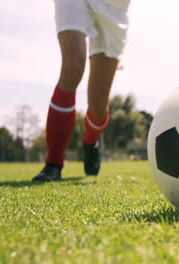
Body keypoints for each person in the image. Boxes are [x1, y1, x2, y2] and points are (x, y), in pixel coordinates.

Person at [33, 0, 131, 181]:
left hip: (114, 6)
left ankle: (90, 140)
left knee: (99, 104)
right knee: (72, 67)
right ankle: (53, 163)